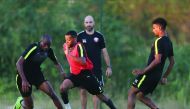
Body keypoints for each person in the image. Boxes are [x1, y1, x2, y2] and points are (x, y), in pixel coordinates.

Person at [60, 30, 117, 109]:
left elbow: (83, 61)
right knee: (63, 88)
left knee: (101, 96)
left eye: (69, 39)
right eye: (66, 39)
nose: (67, 41)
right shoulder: (65, 46)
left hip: (86, 74)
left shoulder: (79, 46)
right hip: (75, 75)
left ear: (75, 39)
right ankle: (68, 107)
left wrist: (70, 55)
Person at [127, 17, 175, 109]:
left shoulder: (158, 41)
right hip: (157, 76)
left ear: (160, 27)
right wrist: (164, 76)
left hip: (149, 74)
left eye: (154, 28)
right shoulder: (169, 42)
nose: (153, 30)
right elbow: (172, 62)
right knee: (140, 96)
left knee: (131, 93)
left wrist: (143, 71)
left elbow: (157, 60)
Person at [14, 35, 65, 109]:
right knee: (30, 107)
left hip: (36, 74)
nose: (46, 47)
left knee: (52, 94)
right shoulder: (33, 47)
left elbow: (56, 62)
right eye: (45, 44)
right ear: (41, 42)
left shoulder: (49, 51)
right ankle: (20, 102)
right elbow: (18, 63)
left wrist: (62, 72)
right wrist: (24, 80)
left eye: (48, 45)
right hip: (23, 76)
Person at [77, 15, 112, 109]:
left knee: (96, 93)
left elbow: (104, 52)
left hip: (96, 69)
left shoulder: (99, 36)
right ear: (84, 24)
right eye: (86, 22)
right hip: (83, 69)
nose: (88, 24)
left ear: (94, 23)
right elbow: (75, 52)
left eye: (90, 22)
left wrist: (109, 67)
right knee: (83, 91)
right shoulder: (79, 36)